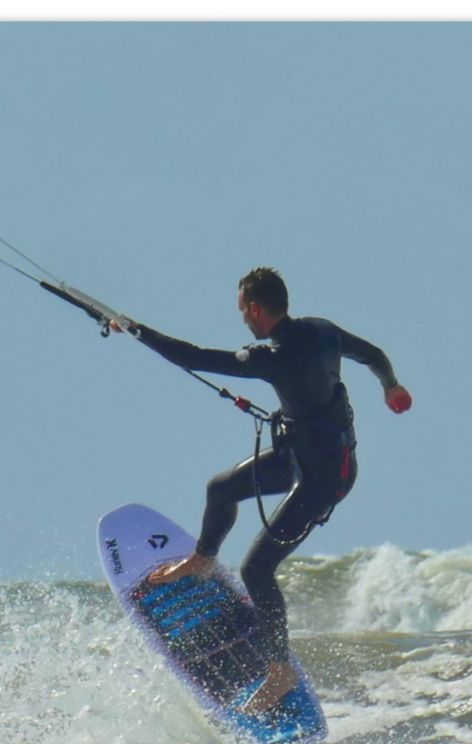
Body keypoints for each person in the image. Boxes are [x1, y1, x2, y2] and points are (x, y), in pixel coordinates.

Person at [113, 267, 412, 714]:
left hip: (324, 481)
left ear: (255, 308)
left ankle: (279, 671)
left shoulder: (271, 356)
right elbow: (373, 353)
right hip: (300, 459)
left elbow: (193, 357)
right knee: (220, 489)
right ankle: (202, 560)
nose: (242, 321)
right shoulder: (323, 331)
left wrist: (135, 329)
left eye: (242, 311)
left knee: (257, 571)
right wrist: (391, 384)